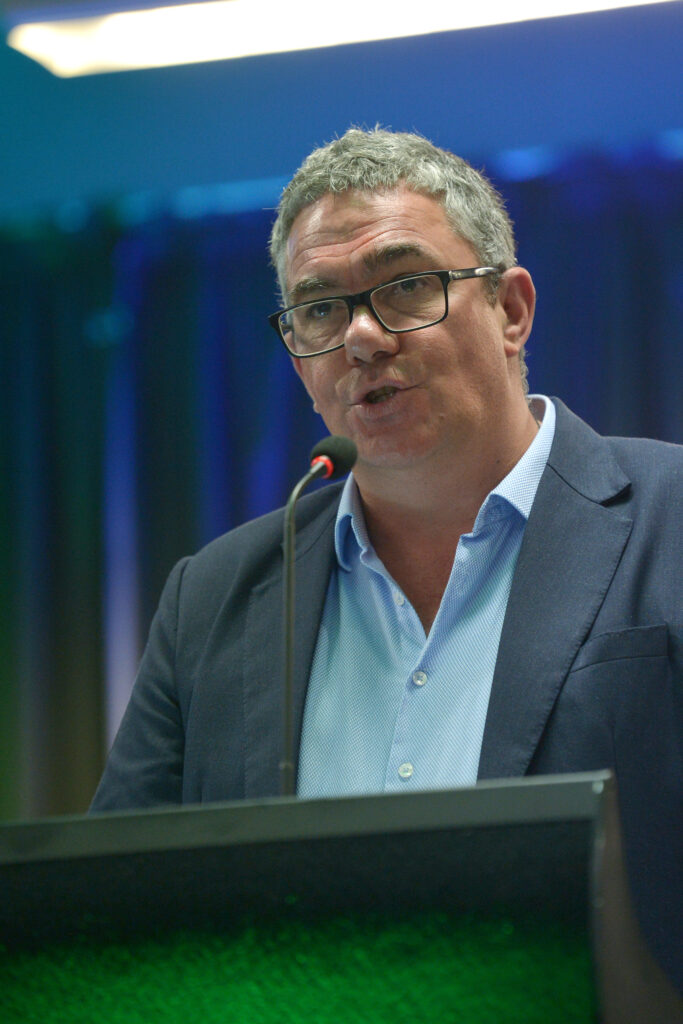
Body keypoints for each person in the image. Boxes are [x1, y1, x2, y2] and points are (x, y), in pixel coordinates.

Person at [91, 128, 682, 989]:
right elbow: (112, 924)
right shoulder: (213, 599)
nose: (361, 339)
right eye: (319, 310)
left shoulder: (670, 521)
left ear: (510, 310)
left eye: (405, 287)